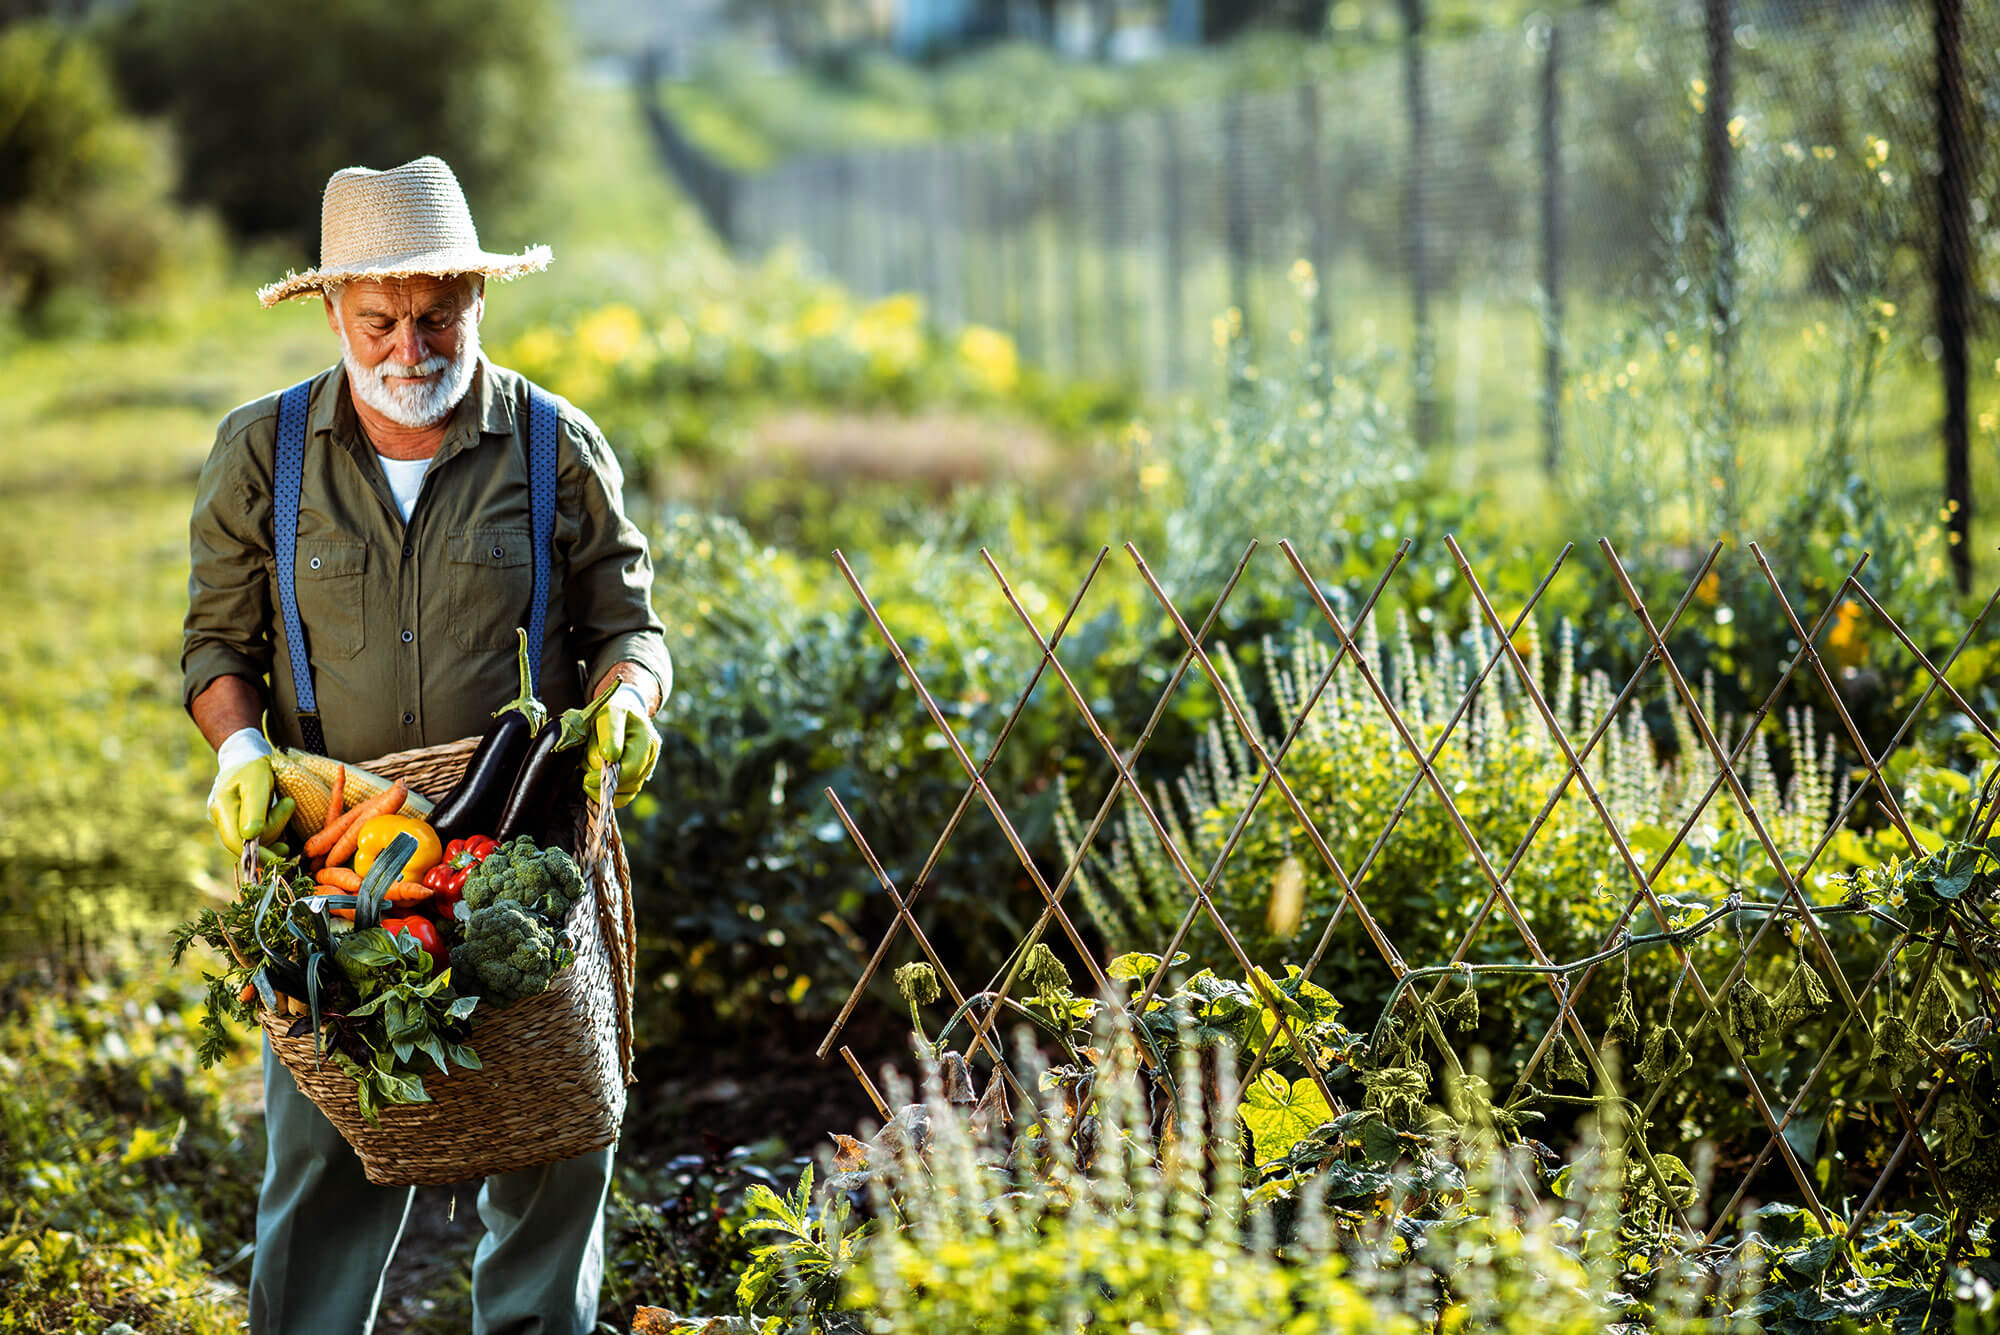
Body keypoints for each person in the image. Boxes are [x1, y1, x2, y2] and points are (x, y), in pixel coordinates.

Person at [181, 155, 672, 1334]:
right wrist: (241, 754)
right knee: (321, 1154)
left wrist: (629, 702)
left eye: (437, 316)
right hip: (337, 866)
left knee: (555, 1142)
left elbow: (628, 625)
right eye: (380, 320)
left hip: (520, 851)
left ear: (476, 304)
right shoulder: (264, 453)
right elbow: (215, 647)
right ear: (335, 312)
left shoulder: (554, 444)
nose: (410, 347)